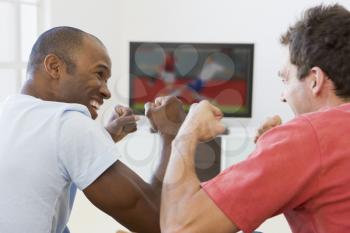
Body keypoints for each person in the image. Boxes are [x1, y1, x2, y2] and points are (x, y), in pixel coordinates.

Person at [160, 4, 350, 233]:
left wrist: (185, 133)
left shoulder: (309, 135)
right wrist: (274, 153)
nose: (283, 95)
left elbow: (180, 228)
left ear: (314, 80)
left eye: (285, 80)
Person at [0, 26, 186, 233]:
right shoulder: (69, 123)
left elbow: (46, 156)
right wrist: (172, 133)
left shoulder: (9, 112)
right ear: (54, 67)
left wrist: (105, 136)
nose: (106, 92)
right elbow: (159, 223)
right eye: (99, 74)